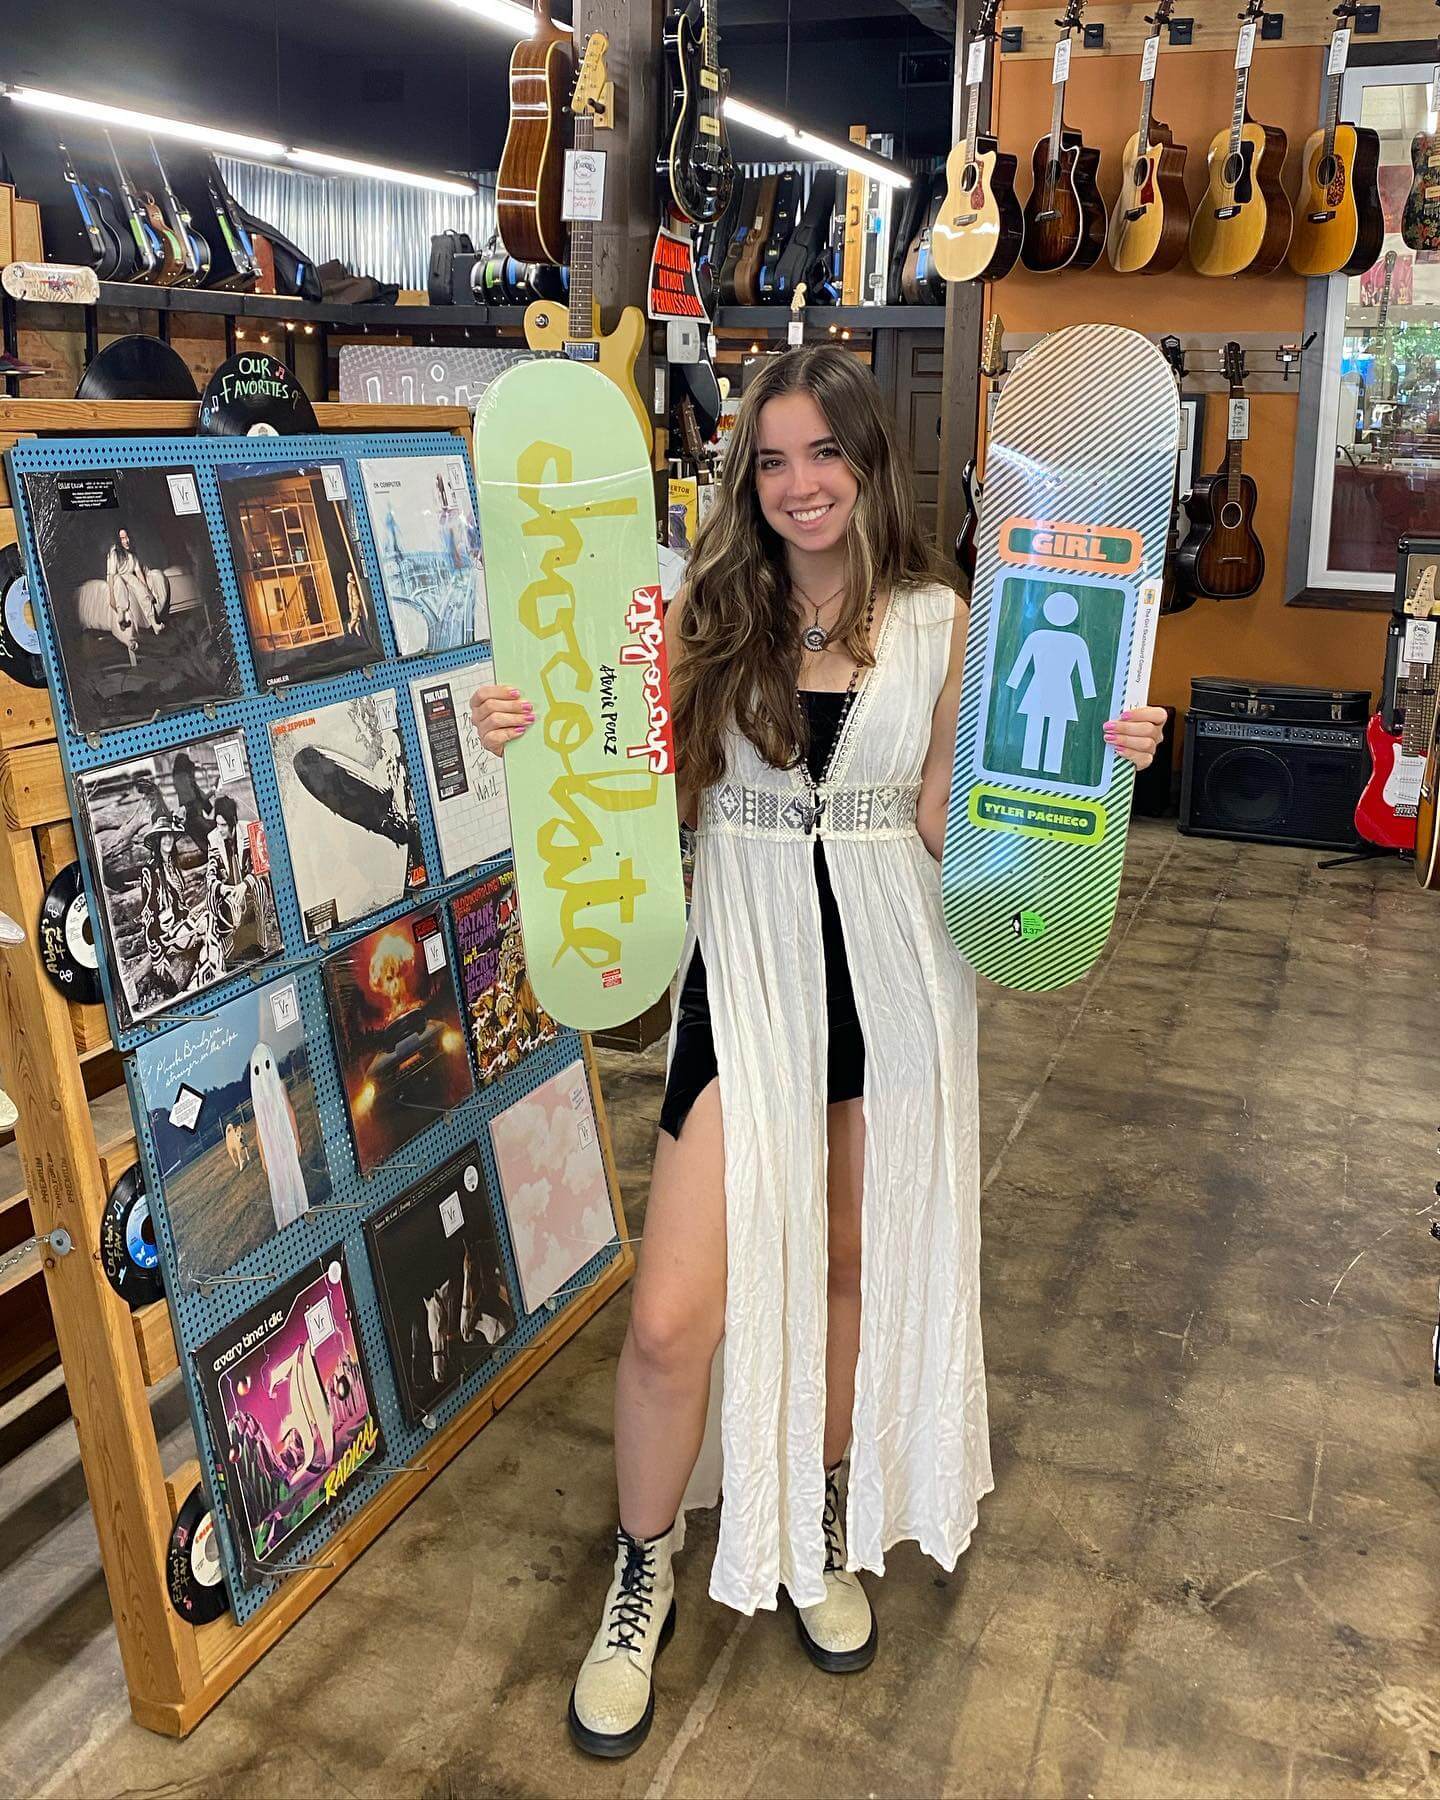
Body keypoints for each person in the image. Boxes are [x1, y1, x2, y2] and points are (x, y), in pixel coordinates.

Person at [469, 345, 1165, 1760]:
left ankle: (820, 1515)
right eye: (772, 461)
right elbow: (628, 778)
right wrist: (532, 737)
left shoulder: (938, 624)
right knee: (672, 1317)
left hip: (892, 984)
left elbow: (938, 817)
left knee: (852, 1263)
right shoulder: (697, 613)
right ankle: (644, 1568)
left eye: (823, 457)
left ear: (869, 462)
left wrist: (1097, 757)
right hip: (754, 973)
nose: (799, 488)